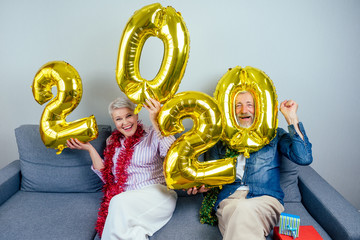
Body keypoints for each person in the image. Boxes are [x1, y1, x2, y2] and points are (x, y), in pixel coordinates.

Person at [188, 91, 313, 240]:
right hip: (229, 202)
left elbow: (304, 157)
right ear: (230, 110)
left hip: (266, 201)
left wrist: (291, 117)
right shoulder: (219, 140)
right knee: (240, 213)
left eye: (250, 105)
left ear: (259, 108)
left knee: (243, 210)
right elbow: (213, 179)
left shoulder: (274, 135)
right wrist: (204, 186)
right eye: (238, 105)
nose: (244, 110)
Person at [66, 97, 177, 240]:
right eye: (118, 119)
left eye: (129, 116)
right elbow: (108, 178)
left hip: (157, 194)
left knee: (117, 202)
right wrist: (89, 149)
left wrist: (156, 121)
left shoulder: (152, 134)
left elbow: (173, 154)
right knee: (134, 233)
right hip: (128, 202)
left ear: (136, 115)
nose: (125, 122)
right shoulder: (112, 141)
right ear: (114, 121)